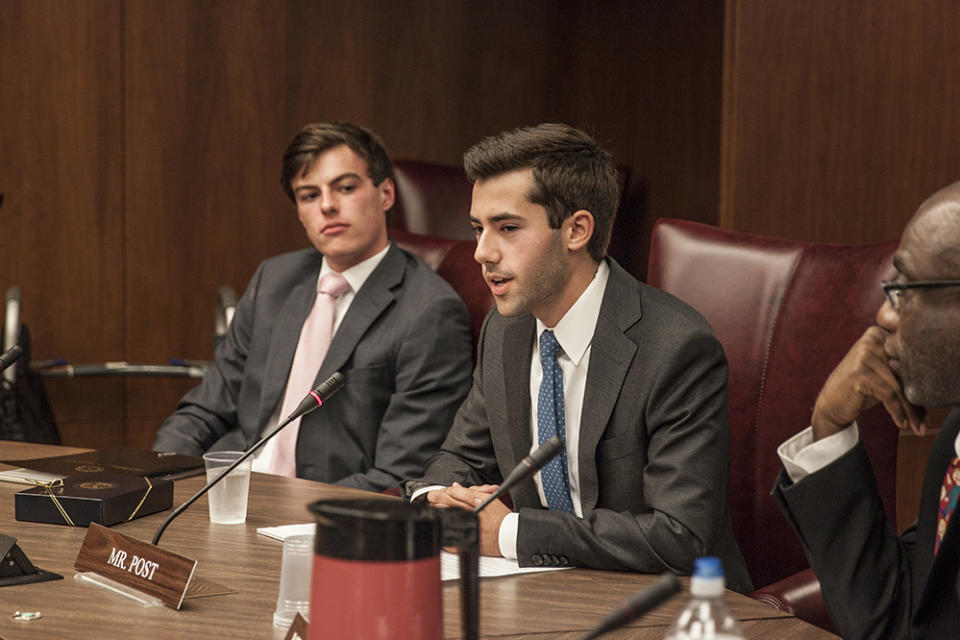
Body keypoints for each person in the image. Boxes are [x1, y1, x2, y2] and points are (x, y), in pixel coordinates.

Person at [405, 123, 751, 593]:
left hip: (664, 606)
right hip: (540, 592)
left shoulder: (676, 348)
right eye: (477, 229)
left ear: (576, 230)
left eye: (507, 228)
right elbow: (462, 456)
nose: (482, 252)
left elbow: (679, 537)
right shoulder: (505, 328)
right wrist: (436, 501)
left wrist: (508, 532)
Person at [154, 122, 473, 492]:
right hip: (228, 493)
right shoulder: (274, 279)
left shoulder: (430, 312)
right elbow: (205, 409)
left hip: (319, 514)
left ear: (386, 194)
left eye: (346, 188)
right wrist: (158, 479)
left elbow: (400, 474)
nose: (327, 205)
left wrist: (278, 511)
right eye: (308, 195)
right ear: (300, 212)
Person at [774, 181, 960, 638]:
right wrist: (830, 425)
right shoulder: (954, 443)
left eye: (905, 290)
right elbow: (895, 620)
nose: (884, 316)